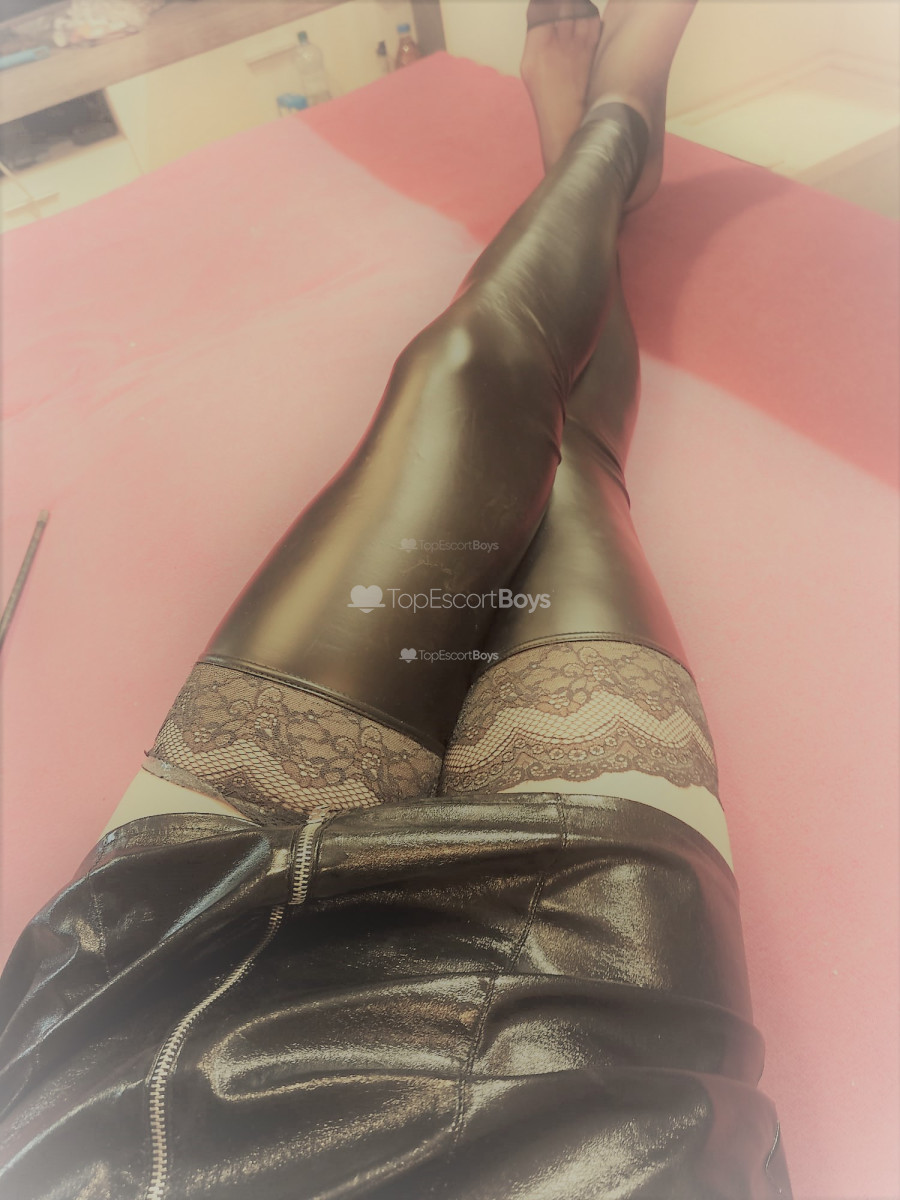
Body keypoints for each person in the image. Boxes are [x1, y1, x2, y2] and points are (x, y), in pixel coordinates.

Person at [0, 1, 793, 1196]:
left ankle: (604, 136)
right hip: (581, 1044)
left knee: (463, 372)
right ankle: (608, 125)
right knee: (575, 470)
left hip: (146, 994)